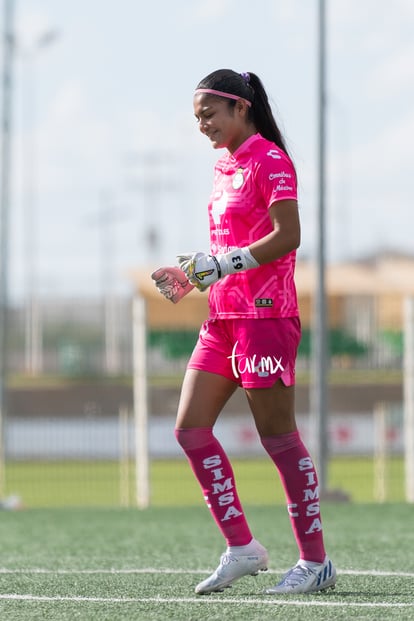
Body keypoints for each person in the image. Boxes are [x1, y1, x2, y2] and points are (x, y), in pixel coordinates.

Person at [152, 68, 336, 596]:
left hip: (265, 319)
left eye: (209, 113)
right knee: (189, 429)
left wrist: (225, 263)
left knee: (278, 439)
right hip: (222, 320)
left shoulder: (271, 161)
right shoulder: (222, 167)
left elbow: (289, 236)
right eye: (197, 118)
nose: (202, 124)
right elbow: (227, 250)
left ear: (241, 108)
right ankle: (242, 548)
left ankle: (315, 561)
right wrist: (192, 276)